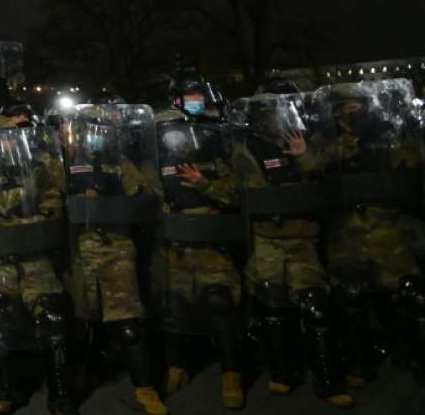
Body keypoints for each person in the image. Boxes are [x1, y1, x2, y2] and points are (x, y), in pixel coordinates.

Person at [231, 93, 353, 407]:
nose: (275, 117)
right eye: (269, 112)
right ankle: (284, 373)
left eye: (280, 111)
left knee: (315, 307)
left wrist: (303, 156)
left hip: (302, 239)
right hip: (267, 239)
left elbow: (322, 180)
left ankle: (329, 381)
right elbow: (245, 190)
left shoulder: (306, 140)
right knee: (274, 307)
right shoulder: (247, 148)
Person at [299, 81, 424, 384]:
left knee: (401, 296)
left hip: (389, 233)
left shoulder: (387, 138)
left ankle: (409, 354)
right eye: (344, 111)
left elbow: (411, 168)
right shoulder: (326, 142)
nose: (351, 115)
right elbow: (309, 168)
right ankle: (359, 360)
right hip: (346, 236)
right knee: (351, 299)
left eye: (357, 109)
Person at [62, 104, 167, 414]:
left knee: (129, 324)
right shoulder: (65, 163)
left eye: (101, 130)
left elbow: (146, 196)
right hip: (78, 251)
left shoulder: (120, 164)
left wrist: (112, 198)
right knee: (81, 324)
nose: (95, 137)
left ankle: (146, 389)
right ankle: (80, 377)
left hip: (116, 250)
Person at [151, 69, 245, 409]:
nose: (196, 102)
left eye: (199, 97)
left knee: (220, 302)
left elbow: (236, 191)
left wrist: (205, 183)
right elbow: (147, 192)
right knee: (173, 306)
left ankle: (231, 374)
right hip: (174, 243)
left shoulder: (215, 138)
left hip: (210, 238)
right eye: (190, 97)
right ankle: (177, 368)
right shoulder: (157, 145)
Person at [0, 115, 77, 415]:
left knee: (52, 318)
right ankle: (8, 389)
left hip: (35, 258)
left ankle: (59, 393)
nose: (10, 142)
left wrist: (38, 210)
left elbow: (52, 202)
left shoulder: (34, 167)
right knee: (2, 318)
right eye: (4, 137)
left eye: (13, 137)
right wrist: (24, 192)